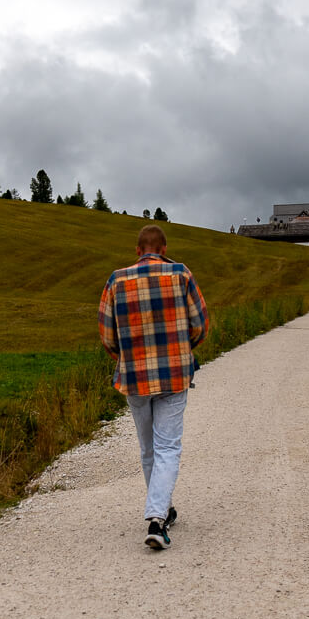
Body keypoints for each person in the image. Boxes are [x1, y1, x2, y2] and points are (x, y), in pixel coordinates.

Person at [98, 223, 209, 552]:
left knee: (148, 448)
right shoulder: (181, 274)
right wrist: (182, 350)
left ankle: (163, 510)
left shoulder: (116, 280)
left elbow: (107, 335)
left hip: (134, 377)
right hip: (173, 374)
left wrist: (127, 357)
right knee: (168, 448)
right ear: (164, 249)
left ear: (137, 251)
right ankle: (158, 520)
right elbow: (200, 324)